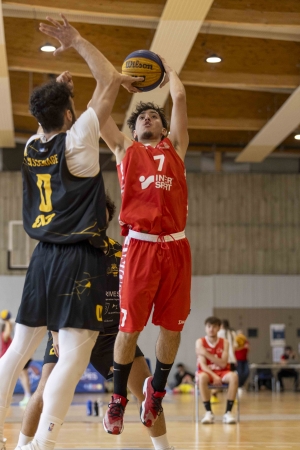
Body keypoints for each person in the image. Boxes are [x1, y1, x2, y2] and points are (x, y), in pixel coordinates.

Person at [0, 15, 140, 450]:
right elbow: (108, 81)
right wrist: (76, 41)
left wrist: (64, 95)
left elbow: (59, 113)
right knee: (73, 359)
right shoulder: (78, 141)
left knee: (17, 352)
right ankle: (43, 442)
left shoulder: (31, 145)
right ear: (67, 113)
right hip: (79, 256)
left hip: (41, 257)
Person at [16, 196, 174, 450]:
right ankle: (22, 445)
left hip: (110, 335)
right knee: (44, 391)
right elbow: (53, 293)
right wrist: (54, 331)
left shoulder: (120, 252)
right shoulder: (67, 249)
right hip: (68, 329)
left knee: (146, 394)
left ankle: (165, 448)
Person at [101, 57, 192, 435]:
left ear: (163, 126)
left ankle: (155, 391)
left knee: (172, 330)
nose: (148, 118)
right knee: (130, 329)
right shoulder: (125, 151)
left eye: (155, 115)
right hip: (139, 247)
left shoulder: (177, 150)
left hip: (176, 248)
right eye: (142, 117)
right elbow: (99, 114)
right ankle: (119, 399)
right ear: (134, 129)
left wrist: (170, 73)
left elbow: (181, 99)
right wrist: (116, 80)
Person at [195, 316, 238, 424]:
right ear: (205, 328)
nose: (211, 329)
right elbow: (203, 365)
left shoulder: (225, 342)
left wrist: (205, 353)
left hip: (221, 371)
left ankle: (228, 413)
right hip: (207, 372)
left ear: (219, 328)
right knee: (202, 377)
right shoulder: (200, 342)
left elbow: (223, 363)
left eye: (214, 326)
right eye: (209, 326)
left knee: (234, 376)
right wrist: (214, 376)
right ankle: (208, 412)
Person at [0, 315, 32, 406]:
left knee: (23, 375)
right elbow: (8, 330)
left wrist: (7, 321)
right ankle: (8, 396)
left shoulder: (8, 337)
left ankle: (28, 395)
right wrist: (7, 321)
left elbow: (9, 330)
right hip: (7, 360)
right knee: (18, 376)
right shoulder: (4, 336)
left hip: (16, 358)